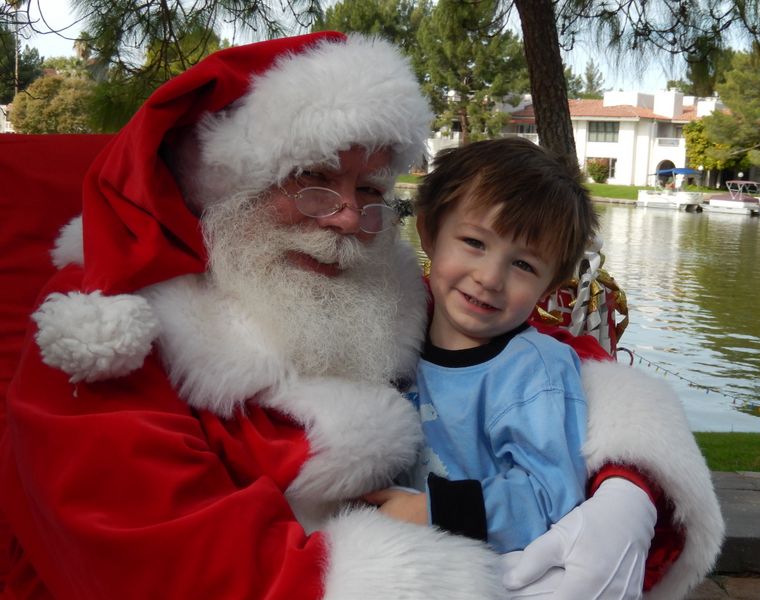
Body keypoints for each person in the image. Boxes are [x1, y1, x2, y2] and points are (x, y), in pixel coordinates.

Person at [0, 32, 723, 600]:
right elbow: (166, 568)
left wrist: (630, 485)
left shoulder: (381, 287)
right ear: (232, 181)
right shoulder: (109, 335)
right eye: (312, 180)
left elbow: (541, 365)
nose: (347, 217)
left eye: (370, 188)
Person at [365, 139, 594, 557]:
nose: (490, 277)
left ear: (550, 287)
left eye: (524, 265)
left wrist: (433, 512)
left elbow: (552, 496)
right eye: (474, 242)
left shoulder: (534, 371)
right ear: (429, 233)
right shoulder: (390, 339)